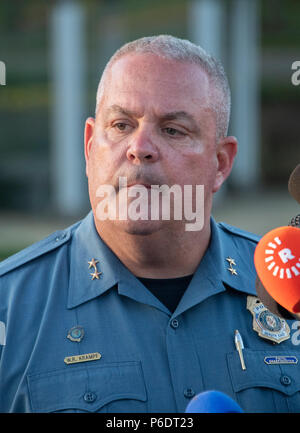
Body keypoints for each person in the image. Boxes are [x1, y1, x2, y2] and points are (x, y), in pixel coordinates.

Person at [0, 35, 299, 413]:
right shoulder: (8, 310)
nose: (139, 147)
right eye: (122, 124)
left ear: (220, 163)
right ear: (90, 147)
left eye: (173, 129)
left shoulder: (290, 290)